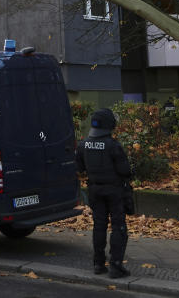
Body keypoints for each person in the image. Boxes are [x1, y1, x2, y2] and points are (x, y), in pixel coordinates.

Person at [76, 108, 133, 279]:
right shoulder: (113, 145)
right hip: (114, 191)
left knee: (99, 225)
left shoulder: (83, 144)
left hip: (94, 190)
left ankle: (98, 263)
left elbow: (79, 168)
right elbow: (125, 171)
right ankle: (116, 265)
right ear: (109, 125)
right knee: (118, 226)